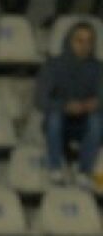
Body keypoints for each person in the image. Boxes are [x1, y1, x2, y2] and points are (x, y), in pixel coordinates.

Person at [36, 22, 103, 189]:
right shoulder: (53, 65)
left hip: (85, 123)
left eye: (89, 41)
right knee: (54, 117)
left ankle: (84, 172)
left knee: (97, 120)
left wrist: (96, 103)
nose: (84, 46)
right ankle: (55, 168)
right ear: (69, 41)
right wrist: (65, 106)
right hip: (59, 123)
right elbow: (40, 100)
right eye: (79, 40)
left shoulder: (98, 68)